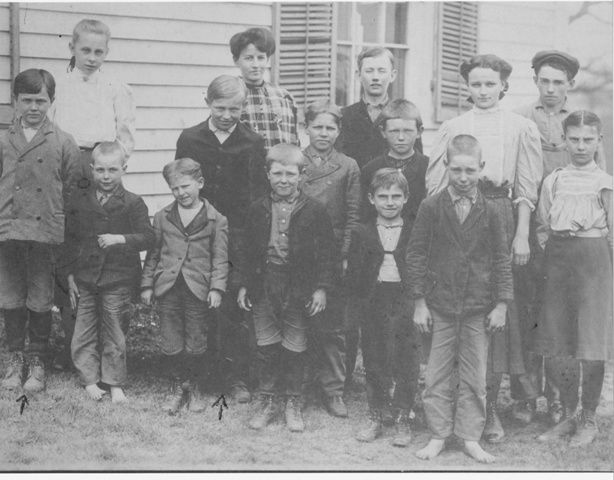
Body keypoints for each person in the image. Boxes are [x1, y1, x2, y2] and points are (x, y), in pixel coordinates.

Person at [425, 54, 543, 444]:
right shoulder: (455, 126)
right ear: (467, 87)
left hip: (503, 216)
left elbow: (527, 187)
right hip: (461, 217)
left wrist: (521, 234)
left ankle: (489, 411)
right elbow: (438, 183)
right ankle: (452, 411)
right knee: (458, 313)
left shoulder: (520, 126)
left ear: (503, 85)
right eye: (476, 84)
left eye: (490, 84)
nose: (483, 91)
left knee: (493, 316)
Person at [512, 50, 604, 426]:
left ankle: (560, 401)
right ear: (535, 80)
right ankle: (526, 396)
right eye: (544, 80)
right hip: (532, 223)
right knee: (534, 313)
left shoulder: (582, 125)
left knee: (568, 321)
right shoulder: (521, 118)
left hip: (578, 236)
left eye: (558, 82)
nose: (551, 88)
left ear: (570, 84)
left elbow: (602, 187)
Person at [408, 135, 513, 464]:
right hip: (439, 306)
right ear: (446, 167)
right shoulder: (431, 207)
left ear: (481, 168)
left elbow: (501, 260)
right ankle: (439, 434)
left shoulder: (492, 210)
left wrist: (501, 304)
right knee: (436, 374)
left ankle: (470, 436)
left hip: (477, 308)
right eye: (457, 170)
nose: (464, 177)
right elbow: (415, 255)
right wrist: (419, 302)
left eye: (470, 170)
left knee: (475, 375)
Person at [49, 18, 136, 372]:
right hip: (69, 165)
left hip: (101, 164)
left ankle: (106, 345)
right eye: (85, 49)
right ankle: (75, 343)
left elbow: (125, 134)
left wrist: (111, 166)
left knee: (100, 248)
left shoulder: (116, 87)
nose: (91, 57)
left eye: (99, 51)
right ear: (72, 47)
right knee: (71, 245)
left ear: (107, 53)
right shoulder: (60, 86)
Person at [175, 75, 267, 403]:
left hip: (236, 235)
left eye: (235, 108)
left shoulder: (253, 142)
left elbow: (258, 195)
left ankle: (236, 376)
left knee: (231, 306)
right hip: (199, 233)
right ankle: (201, 376)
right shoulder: (190, 138)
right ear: (207, 103)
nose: (227, 115)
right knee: (200, 303)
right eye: (220, 107)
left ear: (244, 106)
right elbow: (181, 182)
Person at [237, 144, 335, 432]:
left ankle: (293, 400)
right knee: (265, 343)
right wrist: (243, 284)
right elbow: (245, 251)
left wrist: (321, 288)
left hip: (299, 286)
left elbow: (327, 253)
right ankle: (267, 400)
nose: (283, 179)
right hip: (264, 282)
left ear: (301, 176)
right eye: (277, 173)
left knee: (296, 343)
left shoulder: (315, 211)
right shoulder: (256, 209)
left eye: (290, 174)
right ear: (267, 174)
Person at [534, 110, 612, 447]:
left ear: (599, 141)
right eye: (574, 139)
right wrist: (552, 249)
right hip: (558, 260)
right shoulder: (554, 179)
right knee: (558, 342)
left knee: (591, 342)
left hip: (593, 262)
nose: (581, 146)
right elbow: (541, 225)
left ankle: (589, 417)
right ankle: (567, 415)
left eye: (588, 140)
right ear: (564, 140)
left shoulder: (605, 183)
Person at [0, 68, 80, 393]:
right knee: (11, 296)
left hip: (45, 233)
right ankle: (15, 357)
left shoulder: (63, 142)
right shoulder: (4, 140)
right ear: (15, 101)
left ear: (51, 101)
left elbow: (73, 188)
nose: (34, 107)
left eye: (41, 100)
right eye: (27, 100)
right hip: (9, 230)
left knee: (40, 297)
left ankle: (38, 360)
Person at [64, 142, 154, 403]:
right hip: (86, 278)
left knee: (115, 330)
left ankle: (114, 383)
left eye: (112, 170)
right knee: (84, 330)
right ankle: (90, 380)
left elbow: (148, 237)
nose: (106, 176)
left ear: (124, 169)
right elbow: (70, 240)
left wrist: (121, 239)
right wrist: (69, 275)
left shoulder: (133, 203)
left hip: (118, 278)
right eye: (100, 170)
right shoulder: (80, 201)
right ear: (91, 170)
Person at [141, 158, 229, 414]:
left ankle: (195, 387)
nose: (181, 193)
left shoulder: (216, 220)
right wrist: (147, 285)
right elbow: (154, 254)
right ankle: (177, 386)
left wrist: (216, 288)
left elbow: (221, 257)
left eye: (186, 186)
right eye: (175, 189)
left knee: (196, 339)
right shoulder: (162, 217)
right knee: (170, 338)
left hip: (198, 289)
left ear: (200, 183)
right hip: (168, 286)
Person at [347, 168, 419, 447]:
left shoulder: (413, 228)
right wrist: (357, 306)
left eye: (396, 196)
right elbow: (354, 274)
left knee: (407, 359)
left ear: (406, 198)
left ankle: (403, 415)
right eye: (383, 196)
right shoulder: (362, 231)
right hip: (373, 299)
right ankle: (376, 412)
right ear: (371, 198)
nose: (390, 202)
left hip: (405, 299)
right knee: (375, 356)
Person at [300, 99, 360, 417]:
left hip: (333, 255)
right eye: (318, 126)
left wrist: (347, 254)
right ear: (306, 128)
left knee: (333, 326)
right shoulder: (295, 161)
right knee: (301, 319)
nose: (324, 133)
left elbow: (352, 214)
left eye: (330, 127)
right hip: (299, 254)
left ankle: (334, 389)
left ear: (339, 131)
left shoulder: (348, 166)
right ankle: (301, 384)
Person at [337, 47, 423, 170]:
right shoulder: (344, 116)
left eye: (381, 71)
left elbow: (417, 162)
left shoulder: (407, 115)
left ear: (392, 75)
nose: (375, 77)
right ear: (358, 75)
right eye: (369, 71)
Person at [229, 27, 298, 151]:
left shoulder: (284, 97)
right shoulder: (229, 95)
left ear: (267, 59)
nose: (255, 65)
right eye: (249, 58)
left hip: (280, 168)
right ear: (236, 61)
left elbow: (293, 141)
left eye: (260, 58)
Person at [361, 99, 428, 222]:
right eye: (394, 131)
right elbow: (364, 214)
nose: (401, 138)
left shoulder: (429, 168)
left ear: (419, 132)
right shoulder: (370, 170)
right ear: (383, 132)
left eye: (407, 131)